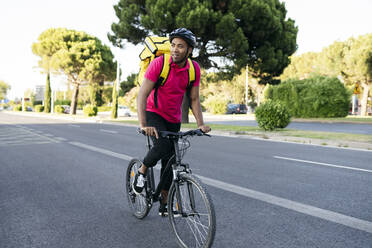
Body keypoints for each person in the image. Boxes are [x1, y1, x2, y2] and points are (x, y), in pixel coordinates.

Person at [135, 28, 211, 216]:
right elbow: (142, 95)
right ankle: (142, 172)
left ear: (189, 50)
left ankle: (164, 204)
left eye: (180, 46)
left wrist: (200, 124)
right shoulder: (159, 64)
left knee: (171, 161)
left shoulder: (193, 69)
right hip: (154, 112)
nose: (175, 49)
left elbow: (194, 99)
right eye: (173, 45)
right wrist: (144, 125)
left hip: (173, 118)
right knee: (162, 146)